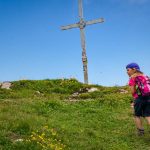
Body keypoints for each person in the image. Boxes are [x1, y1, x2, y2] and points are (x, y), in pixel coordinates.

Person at [126, 62, 150, 136]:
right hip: (149, 97)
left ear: (134, 69)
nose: (127, 72)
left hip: (139, 98)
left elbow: (133, 91)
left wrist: (134, 95)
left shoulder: (132, 78)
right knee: (148, 115)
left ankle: (140, 132)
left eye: (128, 70)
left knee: (137, 115)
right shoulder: (145, 76)